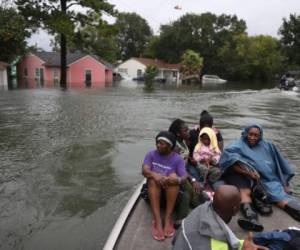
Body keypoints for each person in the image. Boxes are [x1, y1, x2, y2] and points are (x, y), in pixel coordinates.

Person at [219, 124, 300, 232]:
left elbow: (280, 164)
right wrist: (249, 174)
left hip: (269, 180)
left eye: (256, 135)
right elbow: (229, 160)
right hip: (249, 179)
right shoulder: (237, 146)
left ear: (260, 136)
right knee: (246, 192)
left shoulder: (268, 146)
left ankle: (297, 212)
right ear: (246, 133)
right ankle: (252, 220)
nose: (252, 137)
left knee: (279, 196)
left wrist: (284, 183)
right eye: (250, 134)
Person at [172, 185, 268, 250]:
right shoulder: (217, 244)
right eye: (240, 202)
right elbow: (217, 244)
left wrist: (242, 244)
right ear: (235, 209)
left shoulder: (202, 208)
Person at [142, 131, 188, 241]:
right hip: (152, 194)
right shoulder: (151, 154)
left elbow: (184, 177)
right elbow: (144, 170)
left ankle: (168, 219)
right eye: (158, 142)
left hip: (172, 197)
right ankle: (157, 221)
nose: (158, 145)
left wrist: (174, 179)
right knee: (152, 180)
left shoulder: (177, 159)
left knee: (173, 178)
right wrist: (154, 175)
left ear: (169, 146)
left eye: (162, 143)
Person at [168, 119, 208, 226]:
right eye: (185, 130)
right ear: (178, 133)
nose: (188, 131)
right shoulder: (175, 147)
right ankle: (181, 220)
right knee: (190, 191)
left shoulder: (183, 142)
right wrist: (192, 179)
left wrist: (191, 160)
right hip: (178, 174)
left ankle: (201, 210)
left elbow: (184, 157)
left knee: (198, 190)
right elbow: (177, 167)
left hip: (185, 172)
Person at [188, 110, 223, 182]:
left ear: (211, 126)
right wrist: (196, 159)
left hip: (212, 162)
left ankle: (211, 181)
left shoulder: (216, 133)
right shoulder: (192, 133)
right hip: (196, 162)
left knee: (218, 172)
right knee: (197, 174)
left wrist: (212, 160)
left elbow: (219, 151)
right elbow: (189, 151)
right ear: (200, 125)